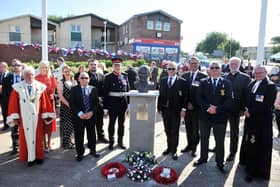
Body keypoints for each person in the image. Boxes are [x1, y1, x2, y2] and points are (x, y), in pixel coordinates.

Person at [7, 66, 55, 166]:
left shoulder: (40, 87)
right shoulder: (17, 88)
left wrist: (46, 115)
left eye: (32, 74)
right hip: (24, 118)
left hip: (36, 118)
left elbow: (44, 103)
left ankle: (39, 157)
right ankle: (29, 158)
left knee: (38, 138)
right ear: (24, 76)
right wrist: (15, 117)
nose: (30, 77)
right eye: (27, 75)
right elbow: (13, 104)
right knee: (25, 139)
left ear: (34, 75)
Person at [239, 65, 277, 182]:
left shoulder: (270, 86)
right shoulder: (252, 83)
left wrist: (251, 112)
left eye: (260, 73)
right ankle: (247, 165)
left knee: (257, 145)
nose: (257, 75)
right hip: (250, 119)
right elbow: (246, 98)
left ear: (265, 73)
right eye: (255, 73)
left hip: (261, 122)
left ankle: (254, 172)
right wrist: (245, 109)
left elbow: (267, 105)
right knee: (249, 143)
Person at [194, 62, 233, 173]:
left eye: (217, 67)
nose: (215, 69)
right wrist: (208, 108)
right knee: (204, 138)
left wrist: (217, 109)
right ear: (209, 70)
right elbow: (199, 97)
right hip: (205, 116)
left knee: (220, 140)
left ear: (221, 70)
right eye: (212, 67)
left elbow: (229, 99)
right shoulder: (203, 82)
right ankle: (203, 158)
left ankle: (220, 162)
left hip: (220, 117)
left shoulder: (227, 83)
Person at [157, 61, 188, 160]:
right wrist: (159, 107)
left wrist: (184, 109)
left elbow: (185, 97)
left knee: (175, 130)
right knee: (167, 130)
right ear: (167, 70)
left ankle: (174, 150)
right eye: (169, 69)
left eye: (173, 69)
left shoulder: (182, 81)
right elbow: (160, 95)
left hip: (176, 110)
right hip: (165, 110)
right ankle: (169, 147)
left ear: (177, 70)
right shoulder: (163, 80)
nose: (171, 71)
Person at [224, 57, 251, 162]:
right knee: (220, 131)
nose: (233, 66)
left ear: (239, 65)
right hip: (224, 109)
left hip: (236, 110)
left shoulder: (245, 78)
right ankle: (218, 148)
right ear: (229, 65)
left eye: (236, 64)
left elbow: (247, 95)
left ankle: (232, 152)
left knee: (234, 132)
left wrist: (243, 109)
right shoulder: (225, 76)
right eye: (232, 64)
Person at [70, 72, 100, 161]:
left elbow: (96, 103)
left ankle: (93, 150)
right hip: (79, 117)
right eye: (82, 78)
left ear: (89, 79)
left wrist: (91, 112)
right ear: (78, 79)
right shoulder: (74, 89)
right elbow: (72, 103)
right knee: (79, 135)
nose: (84, 80)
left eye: (86, 78)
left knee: (92, 134)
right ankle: (80, 154)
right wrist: (80, 114)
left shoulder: (93, 89)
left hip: (90, 116)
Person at [181, 56, 207, 157]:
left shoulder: (203, 76)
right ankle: (189, 145)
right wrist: (186, 104)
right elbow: (183, 92)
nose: (193, 65)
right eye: (191, 63)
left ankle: (194, 148)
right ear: (188, 64)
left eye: (195, 63)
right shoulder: (184, 76)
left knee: (196, 129)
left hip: (198, 108)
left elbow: (204, 94)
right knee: (188, 127)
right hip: (186, 107)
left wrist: (194, 104)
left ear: (198, 64)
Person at [103, 57, 129, 150]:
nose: (117, 67)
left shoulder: (125, 75)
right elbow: (105, 93)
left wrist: (129, 104)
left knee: (121, 124)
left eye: (119, 65)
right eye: (115, 65)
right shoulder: (108, 77)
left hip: (123, 103)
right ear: (113, 66)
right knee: (112, 123)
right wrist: (105, 107)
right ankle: (111, 142)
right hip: (112, 104)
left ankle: (120, 142)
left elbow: (128, 90)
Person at [2, 59, 23, 154]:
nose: (16, 67)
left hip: (24, 107)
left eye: (18, 65)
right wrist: (9, 105)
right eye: (14, 65)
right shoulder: (7, 78)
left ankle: (24, 147)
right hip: (12, 108)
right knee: (14, 128)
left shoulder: (25, 77)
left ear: (21, 67)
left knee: (23, 128)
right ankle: (15, 147)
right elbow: (5, 94)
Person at [35, 61, 57, 152]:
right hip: (41, 104)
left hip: (51, 103)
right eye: (43, 67)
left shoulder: (52, 78)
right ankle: (44, 144)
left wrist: (53, 96)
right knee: (42, 124)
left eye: (46, 67)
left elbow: (54, 91)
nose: (45, 68)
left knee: (50, 124)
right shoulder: (36, 78)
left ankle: (49, 143)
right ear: (40, 67)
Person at [87, 59, 109, 143]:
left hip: (100, 103)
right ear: (88, 66)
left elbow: (103, 88)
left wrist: (103, 99)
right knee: (90, 123)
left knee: (100, 121)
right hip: (89, 103)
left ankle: (101, 136)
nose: (93, 66)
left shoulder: (101, 75)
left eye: (95, 64)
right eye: (91, 64)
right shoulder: (85, 76)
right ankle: (91, 140)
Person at [57, 66, 77, 149]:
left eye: (68, 71)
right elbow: (60, 96)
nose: (67, 72)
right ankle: (66, 143)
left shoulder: (74, 81)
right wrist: (68, 104)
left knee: (73, 125)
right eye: (65, 71)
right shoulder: (61, 82)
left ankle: (72, 141)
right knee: (66, 125)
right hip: (65, 107)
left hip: (74, 106)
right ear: (62, 73)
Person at [0, 61, 10, 131]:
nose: (1, 68)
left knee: (10, 111)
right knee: (4, 112)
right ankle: (6, 125)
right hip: (1, 97)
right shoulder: (0, 75)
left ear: (6, 67)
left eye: (2, 67)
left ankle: (11, 124)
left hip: (8, 96)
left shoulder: (10, 75)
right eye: (0, 67)